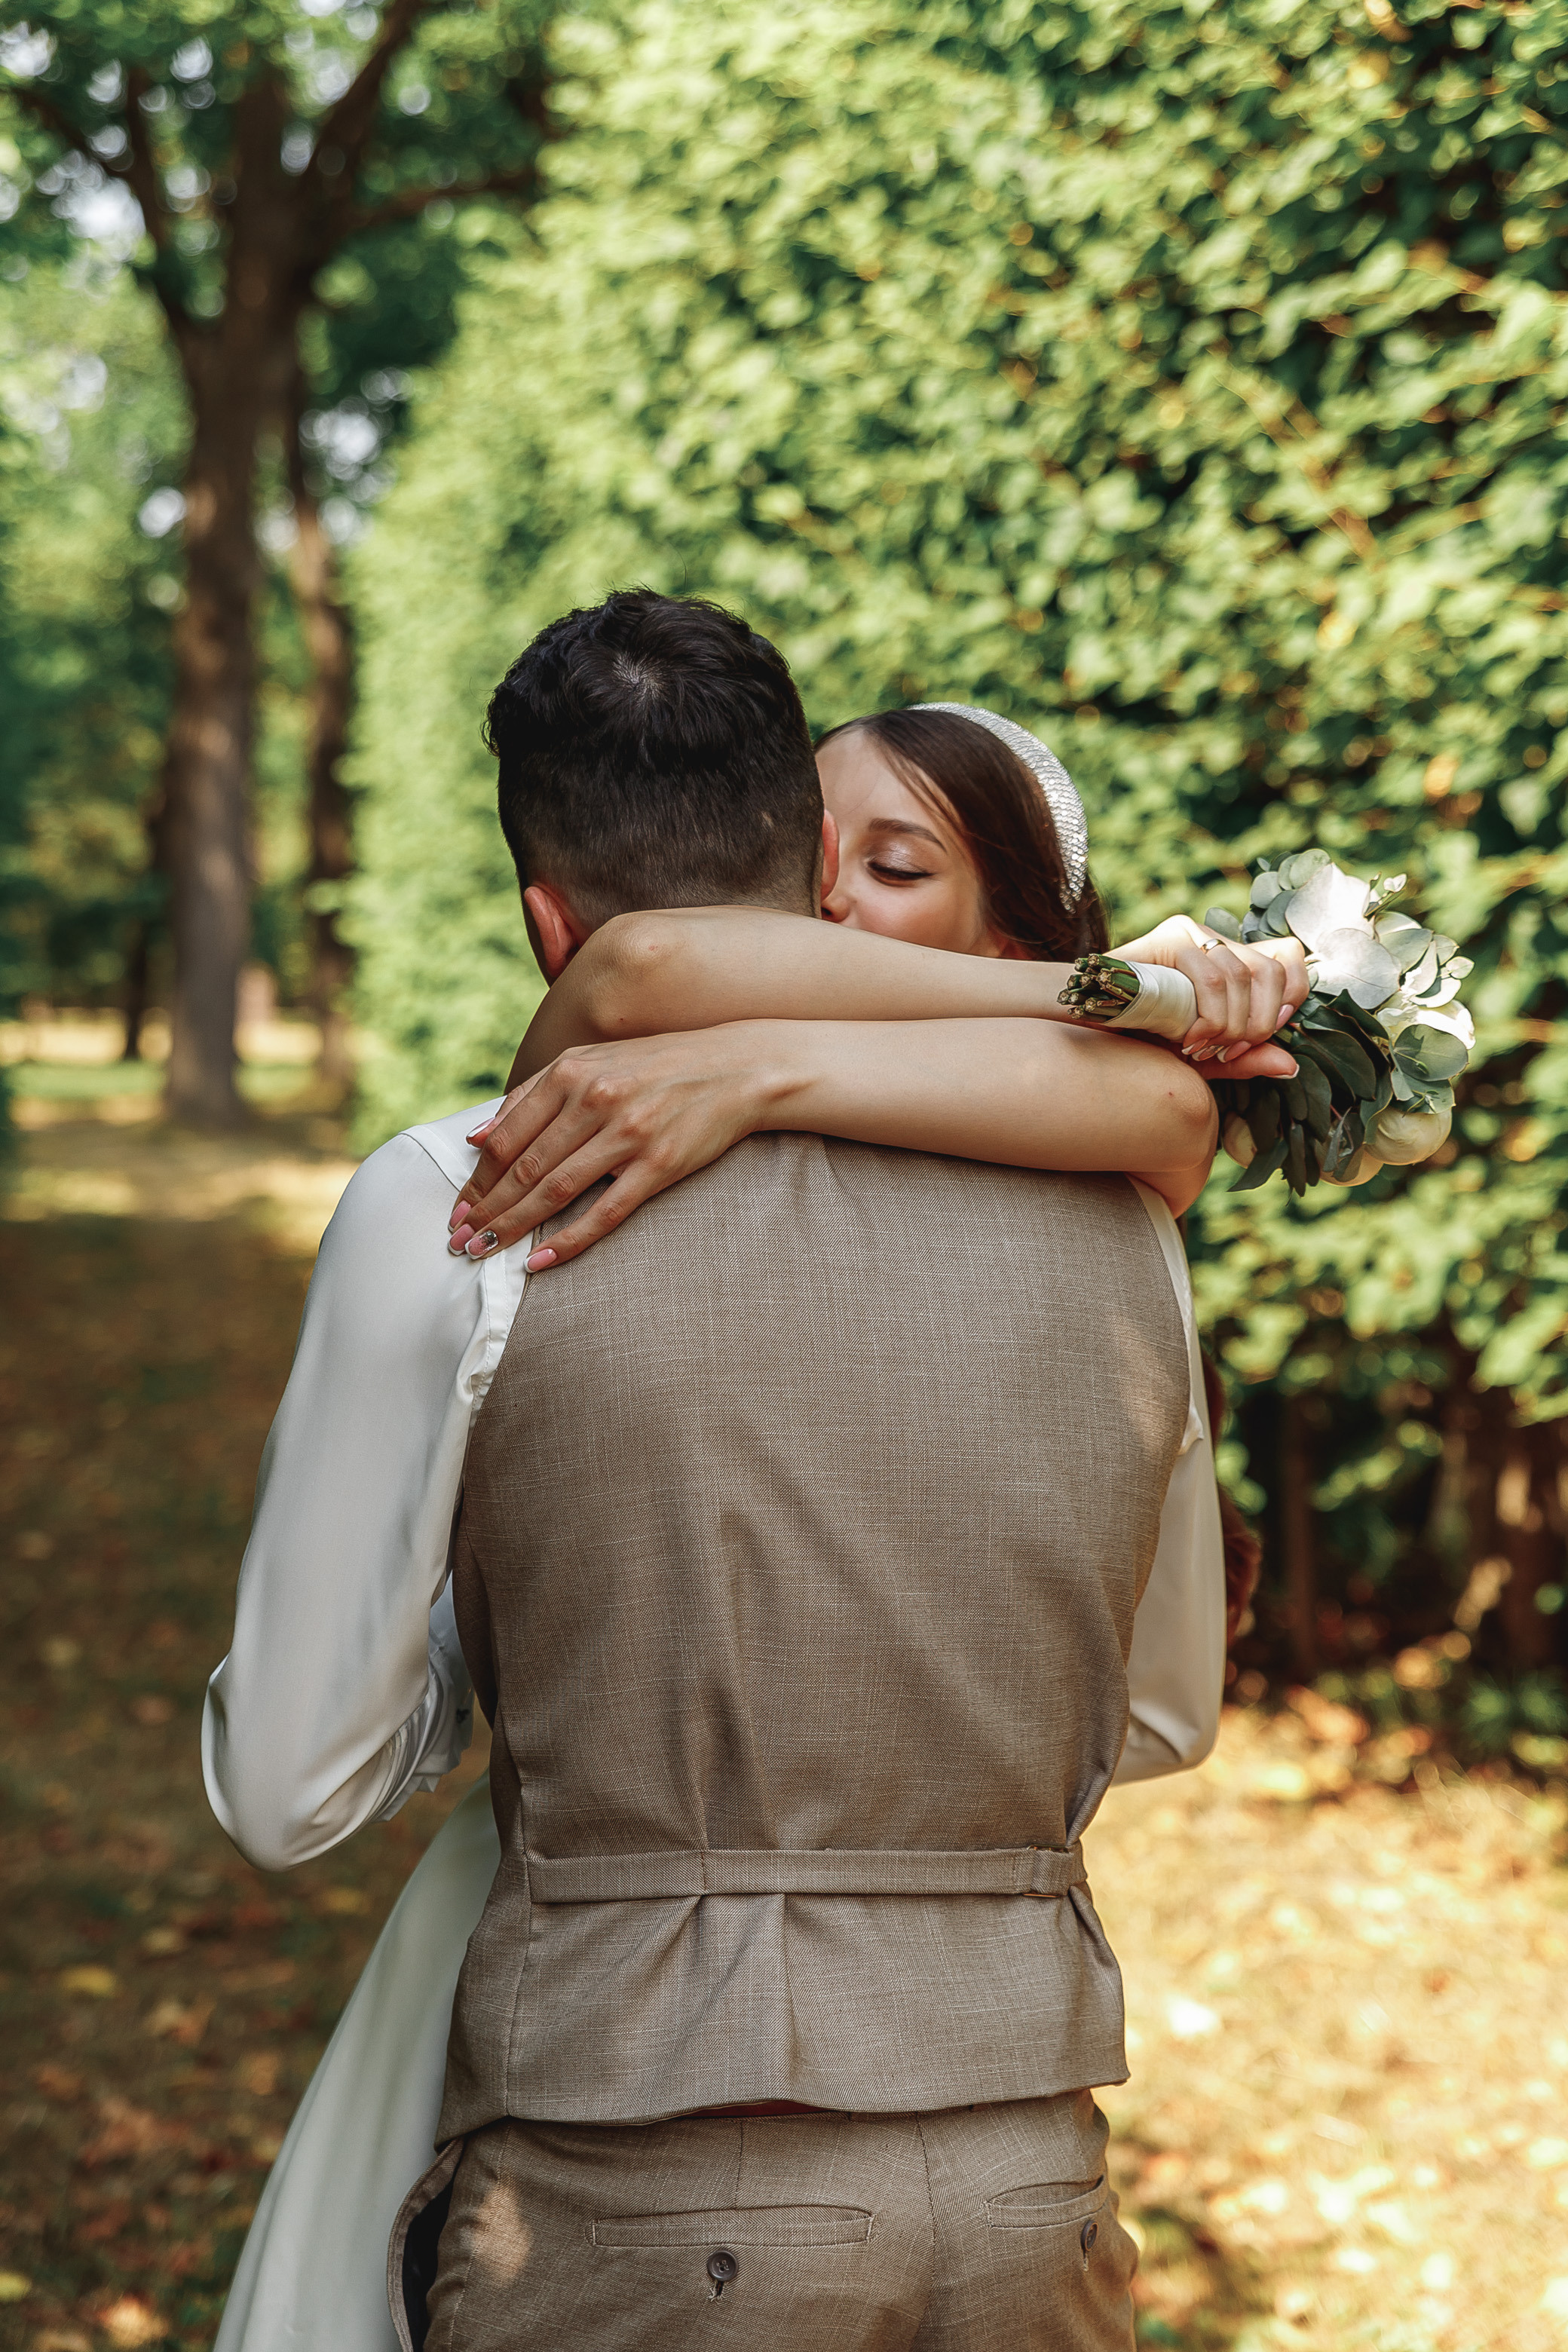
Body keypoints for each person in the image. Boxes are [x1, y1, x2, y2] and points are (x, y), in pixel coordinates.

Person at [204, 593, 1293, 2352]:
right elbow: (1159, 1721)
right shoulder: (1127, 1217)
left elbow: (286, 1789)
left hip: (636, 2176)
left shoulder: (477, 1189)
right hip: (1031, 2176)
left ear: (543, 919)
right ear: (795, 893)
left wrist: (524, 1665)